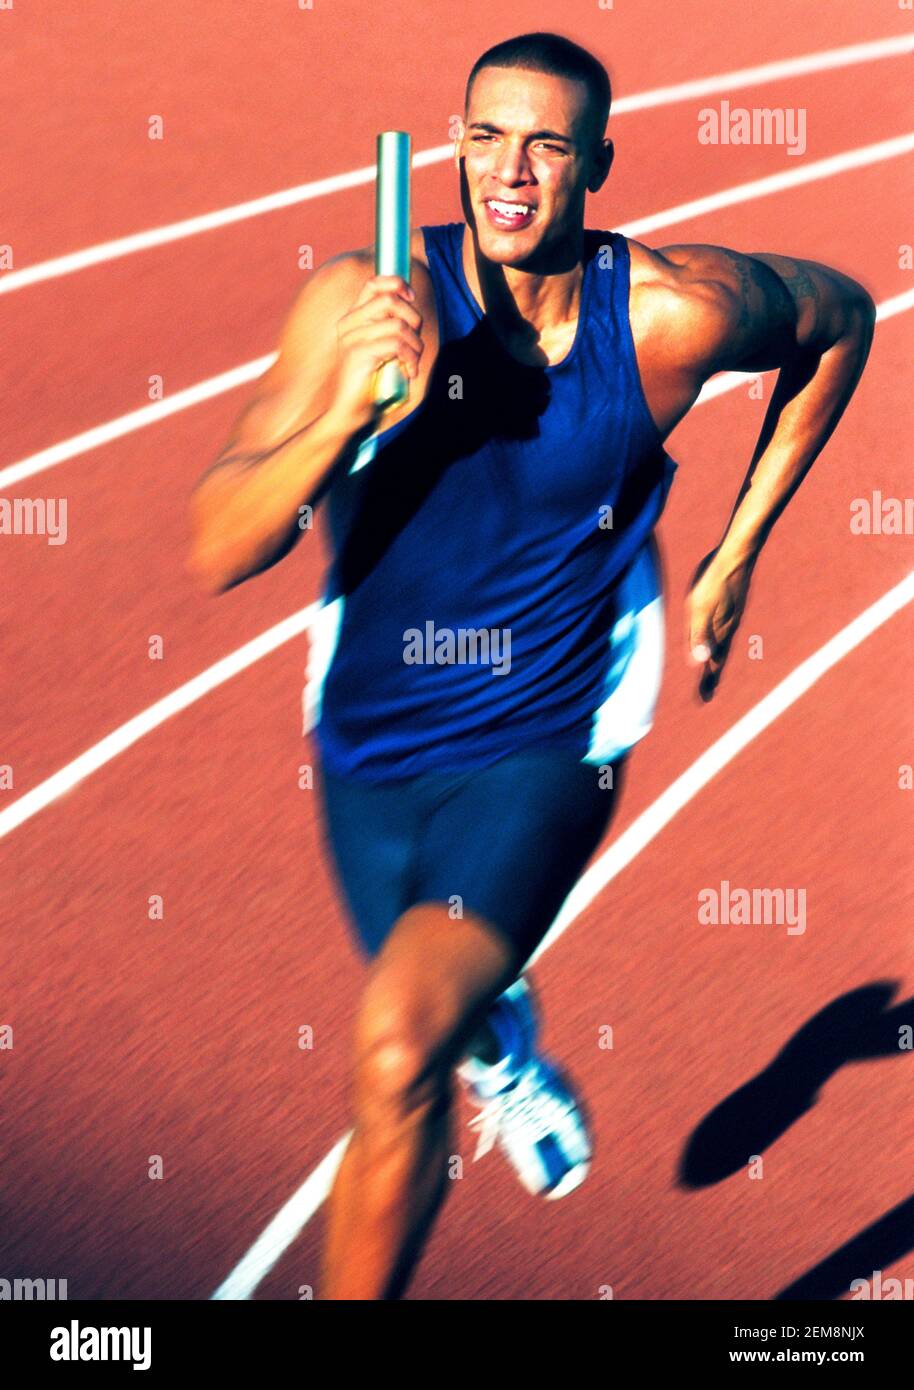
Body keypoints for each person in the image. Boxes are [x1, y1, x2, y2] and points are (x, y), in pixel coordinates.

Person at [188, 31, 875, 1300]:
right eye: (485, 136)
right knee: (433, 1017)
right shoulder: (363, 300)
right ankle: (499, 1033)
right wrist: (341, 413)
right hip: (368, 736)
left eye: (547, 145)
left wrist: (732, 551)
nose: (510, 172)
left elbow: (842, 315)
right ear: (451, 145)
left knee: (394, 1050)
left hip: (549, 732)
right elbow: (217, 544)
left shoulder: (674, 314)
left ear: (596, 164)